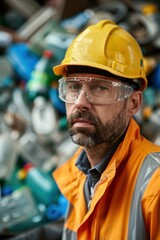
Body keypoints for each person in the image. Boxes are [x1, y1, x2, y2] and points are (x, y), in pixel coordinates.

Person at [52, 19, 160, 240]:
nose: (80, 102)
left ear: (133, 103)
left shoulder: (155, 188)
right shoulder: (79, 175)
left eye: (100, 88)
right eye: (73, 87)